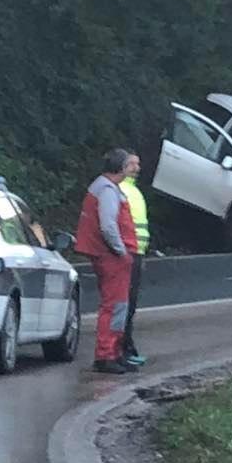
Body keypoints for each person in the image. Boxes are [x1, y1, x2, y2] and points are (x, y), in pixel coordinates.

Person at [74, 148, 140, 374]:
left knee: (116, 305)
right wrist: (121, 251)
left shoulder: (104, 187)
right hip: (111, 256)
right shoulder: (108, 190)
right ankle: (106, 354)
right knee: (115, 306)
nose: (135, 168)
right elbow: (108, 225)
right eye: (130, 165)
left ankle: (113, 352)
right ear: (121, 168)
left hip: (109, 254)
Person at [119, 152, 151, 367]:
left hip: (136, 253)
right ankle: (122, 349)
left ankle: (126, 347)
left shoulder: (134, 191)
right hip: (125, 254)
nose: (136, 168)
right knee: (123, 305)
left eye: (138, 164)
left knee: (130, 306)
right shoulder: (121, 190)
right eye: (131, 164)